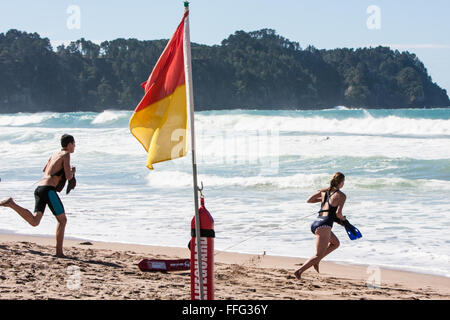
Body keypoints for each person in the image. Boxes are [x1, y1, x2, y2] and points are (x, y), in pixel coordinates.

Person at [0, 134, 76, 258]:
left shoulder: (54, 154)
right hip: (48, 190)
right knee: (62, 220)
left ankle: (12, 204)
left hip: (40, 188)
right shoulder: (66, 155)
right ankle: (59, 252)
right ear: (69, 144)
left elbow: (44, 169)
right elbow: (68, 177)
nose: (75, 146)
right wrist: (72, 173)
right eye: (74, 144)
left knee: (35, 221)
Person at [294, 172, 347, 280]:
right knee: (318, 254)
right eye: (343, 182)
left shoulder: (324, 191)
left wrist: (323, 200)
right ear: (341, 182)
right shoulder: (341, 195)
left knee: (335, 243)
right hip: (325, 226)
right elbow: (338, 214)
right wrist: (344, 220)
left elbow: (309, 200)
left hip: (316, 223)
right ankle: (299, 271)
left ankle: (316, 261)